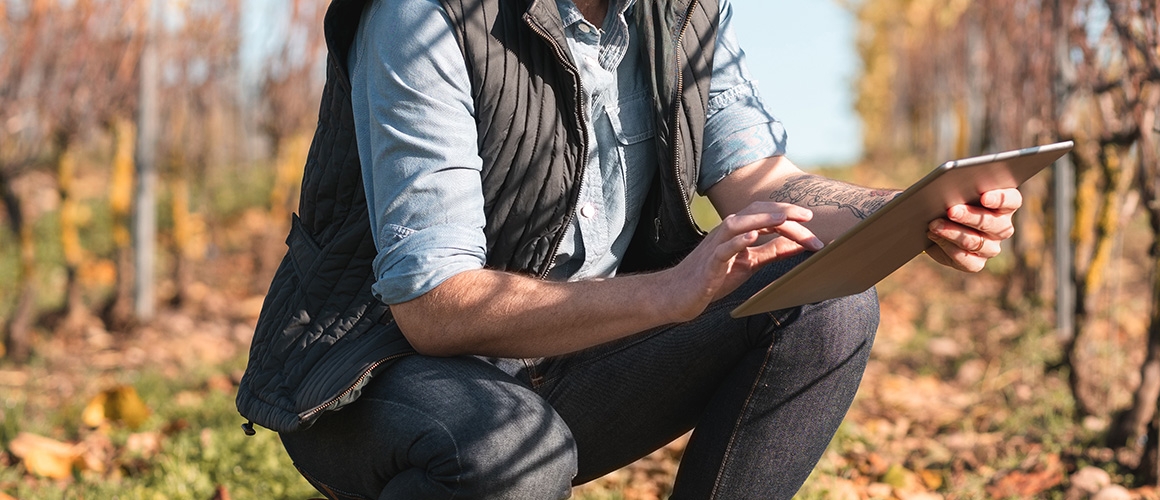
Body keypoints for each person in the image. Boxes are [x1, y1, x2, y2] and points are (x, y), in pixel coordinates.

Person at [232, 0, 1022, 497]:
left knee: (827, 296)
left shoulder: (678, 12)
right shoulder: (428, 14)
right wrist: (669, 293)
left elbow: (765, 179)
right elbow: (434, 308)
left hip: (570, 355)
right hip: (378, 374)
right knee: (514, 453)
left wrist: (908, 212)